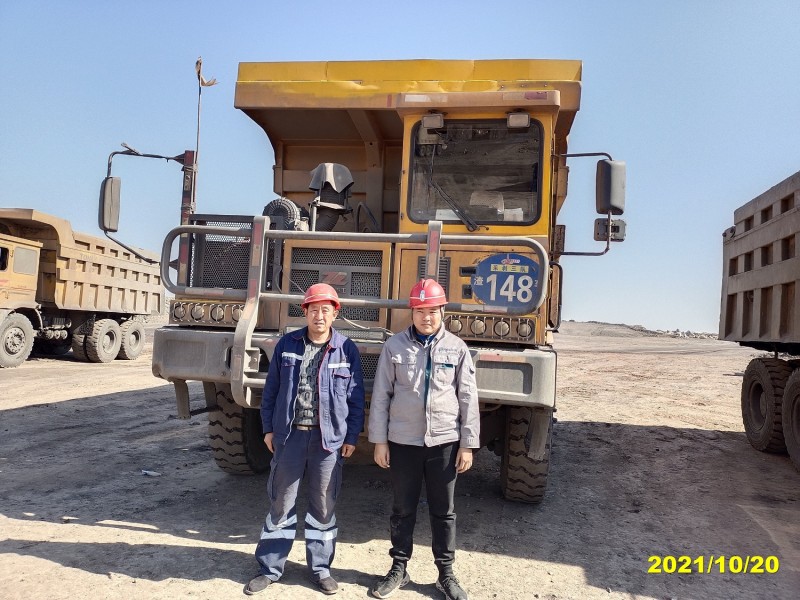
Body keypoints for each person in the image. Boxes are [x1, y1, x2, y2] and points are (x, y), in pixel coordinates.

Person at [245, 283, 365, 596]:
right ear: (305, 312)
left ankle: (320, 569)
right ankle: (270, 569)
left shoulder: (346, 349)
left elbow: (355, 398)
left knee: (323, 506)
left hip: (328, 441)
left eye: (325, 310)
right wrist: (268, 429)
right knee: (281, 503)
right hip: (290, 437)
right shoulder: (287, 344)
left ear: (335, 313)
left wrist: (352, 436)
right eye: (314, 309)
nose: (319, 315)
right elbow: (271, 391)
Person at [368, 279, 479, 600]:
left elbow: (468, 397)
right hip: (403, 442)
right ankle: (398, 569)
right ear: (412, 313)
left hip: (444, 443)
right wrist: (380, 440)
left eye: (432, 311)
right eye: (419, 311)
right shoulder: (394, 347)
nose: (426, 317)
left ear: (442, 311)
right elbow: (381, 395)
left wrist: (468, 444)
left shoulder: (457, 348)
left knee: (444, 511)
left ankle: (446, 574)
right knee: (402, 508)